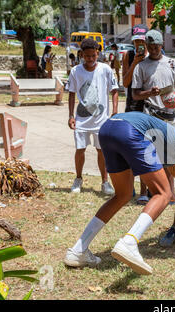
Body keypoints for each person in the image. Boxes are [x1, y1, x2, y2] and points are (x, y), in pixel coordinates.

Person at [64, 111, 175, 275]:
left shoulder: (173, 146)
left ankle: (78, 250)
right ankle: (129, 242)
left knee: (122, 195)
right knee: (164, 194)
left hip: (108, 129)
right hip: (131, 130)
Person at [132, 29, 175, 205]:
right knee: (147, 153)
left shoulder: (172, 64)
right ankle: (144, 193)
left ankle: (170, 194)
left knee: (169, 157)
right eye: (151, 47)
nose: (154, 50)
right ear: (146, 46)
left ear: (162, 45)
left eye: (157, 46)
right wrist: (149, 92)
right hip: (150, 114)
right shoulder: (141, 67)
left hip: (169, 116)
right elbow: (135, 94)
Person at [66, 38, 118, 196]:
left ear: (98, 54)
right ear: (81, 55)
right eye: (87, 56)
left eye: (93, 56)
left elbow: (114, 90)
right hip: (81, 120)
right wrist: (70, 116)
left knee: (102, 151)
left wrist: (114, 110)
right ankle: (78, 179)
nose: (90, 59)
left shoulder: (105, 70)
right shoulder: (76, 71)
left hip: (101, 120)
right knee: (80, 149)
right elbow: (71, 94)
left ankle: (104, 181)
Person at [122, 24, 150, 205]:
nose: (139, 44)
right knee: (131, 149)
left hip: (149, 107)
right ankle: (130, 187)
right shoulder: (129, 55)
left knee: (147, 150)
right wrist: (134, 63)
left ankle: (144, 190)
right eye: (136, 41)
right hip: (132, 107)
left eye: (142, 41)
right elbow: (125, 82)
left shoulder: (154, 55)